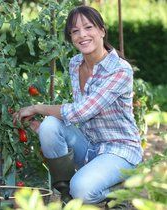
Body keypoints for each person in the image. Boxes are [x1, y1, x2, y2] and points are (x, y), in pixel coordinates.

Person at [13, 5, 143, 204]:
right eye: (75, 31)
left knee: (82, 189)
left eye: (89, 27)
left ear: (102, 30)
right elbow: (73, 115)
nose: (82, 35)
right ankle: (66, 195)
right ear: (71, 37)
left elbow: (82, 111)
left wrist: (37, 107)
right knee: (48, 125)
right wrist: (44, 130)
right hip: (89, 145)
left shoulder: (120, 70)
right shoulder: (75, 64)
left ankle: (117, 195)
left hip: (120, 151)